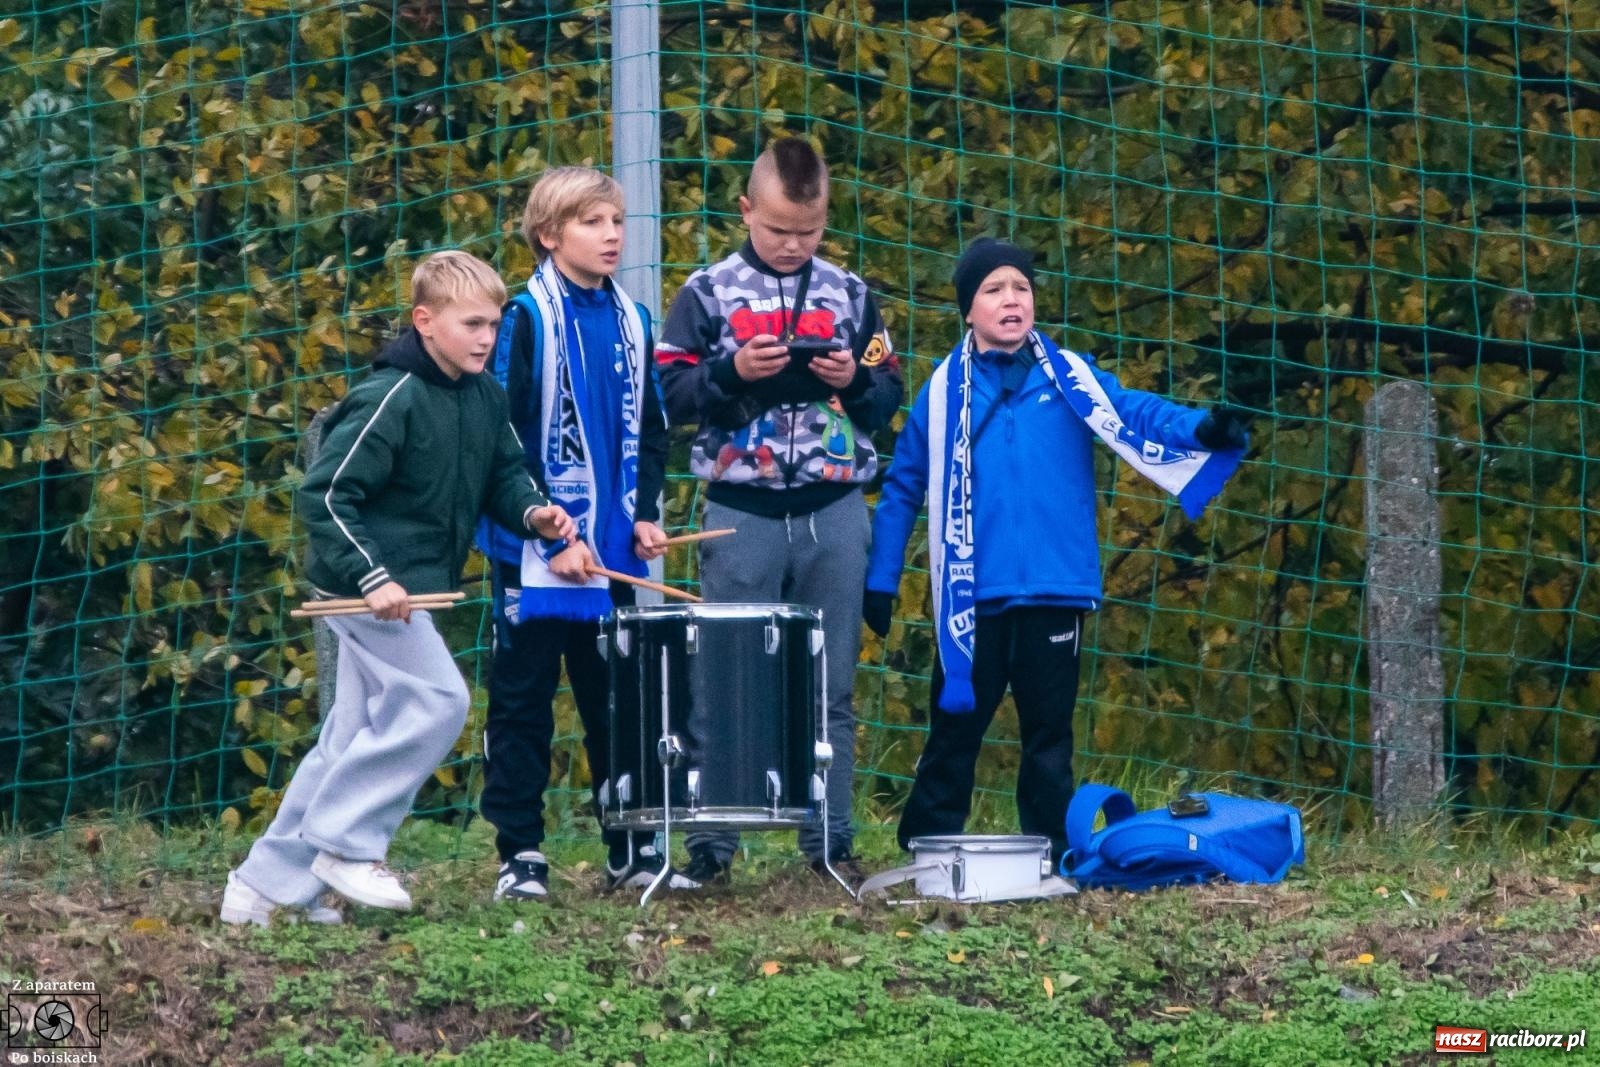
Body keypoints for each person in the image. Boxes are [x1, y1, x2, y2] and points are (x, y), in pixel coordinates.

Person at [863, 238, 1250, 866]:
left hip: (1056, 588)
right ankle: (927, 852)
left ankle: (1051, 853)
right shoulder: (941, 393)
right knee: (954, 731)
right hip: (972, 597)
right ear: (968, 309)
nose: (1010, 299)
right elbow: (905, 485)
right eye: (993, 289)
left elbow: (1135, 413)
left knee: (1049, 736)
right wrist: (881, 578)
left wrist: (1200, 429)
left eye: (1021, 287)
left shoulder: (1070, 378)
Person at [222, 250, 576, 923]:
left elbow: (506, 472)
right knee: (441, 701)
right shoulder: (391, 396)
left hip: (409, 588)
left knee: (349, 734)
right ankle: (347, 847)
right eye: (471, 323)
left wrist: (534, 512)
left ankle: (261, 888)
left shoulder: (483, 395)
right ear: (424, 321)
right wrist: (374, 575)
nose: (485, 338)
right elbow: (325, 496)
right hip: (363, 590)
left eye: (494, 325)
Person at [655, 136, 903, 883]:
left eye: (809, 230)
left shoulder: (853, 295)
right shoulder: (705, 293)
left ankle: (829, 843)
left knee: (831, 682)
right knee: (727, 674)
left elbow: (888, 393)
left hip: (834, 506)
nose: (794, 245)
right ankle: (712, 850)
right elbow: (669, 397)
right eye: (778, 230)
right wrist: (731, 372)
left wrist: (851, 384)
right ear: (746, 211)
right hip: (742, 508)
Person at [475, 167, 696, 900]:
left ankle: (631, 844)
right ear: (548, 235)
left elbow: (654, 432)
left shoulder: (633, 318)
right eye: (592, 222)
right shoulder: (525, 319)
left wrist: (644, 512)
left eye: (617, 221)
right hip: (537, 551)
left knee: (622, 699)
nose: (611, 235)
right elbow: (502, 439)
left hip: (611, 555)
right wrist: (549, 535)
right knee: (524, 700)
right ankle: (521, 853)